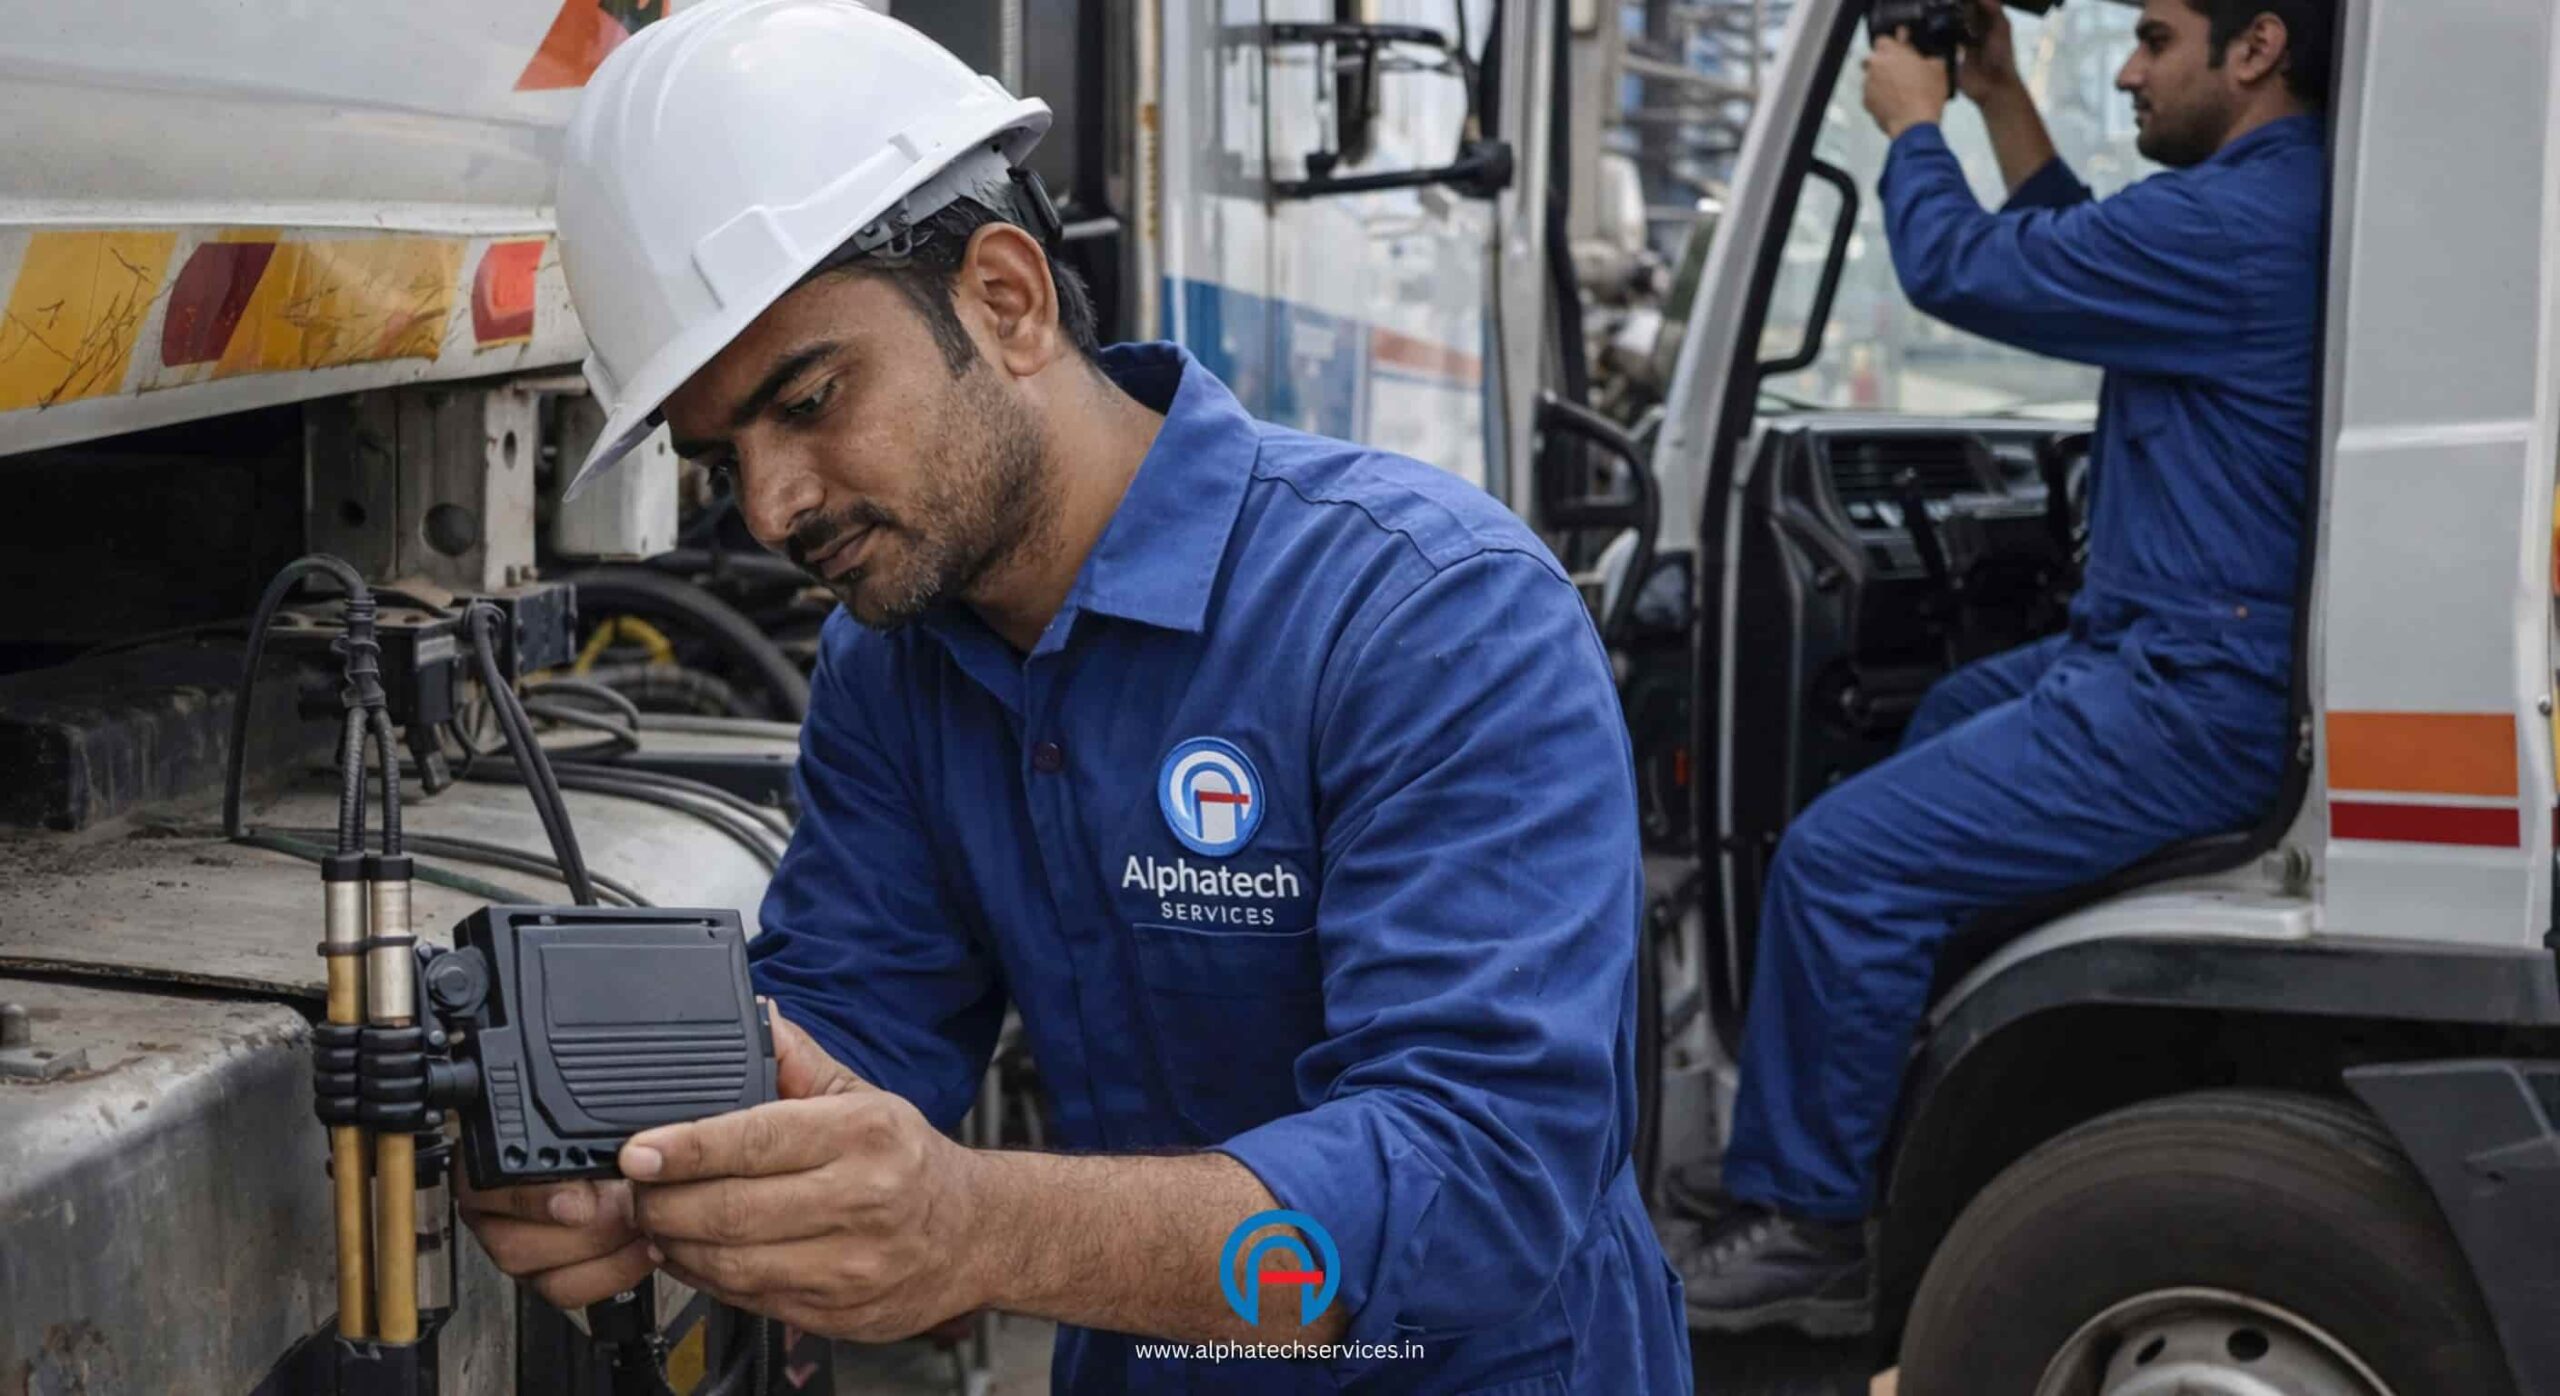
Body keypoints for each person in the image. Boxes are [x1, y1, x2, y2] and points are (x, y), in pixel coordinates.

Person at [454, 4, 1691, 1391]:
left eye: (807, 400)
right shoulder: (896, 664)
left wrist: (979, 1228)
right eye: (720, 453)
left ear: (1007, 299)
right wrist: (653, 1160)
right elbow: (854, 1036)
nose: (768, 504)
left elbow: (1481, 1187)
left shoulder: (1426, 612)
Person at [1683, 0, 2332, 1332]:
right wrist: (1994, 95)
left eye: (2156, 38)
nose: (2130, 67)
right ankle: (1881, 1089)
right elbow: (2082, 246)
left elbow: (1968, 268)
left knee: (1839, 863)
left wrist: (1915, 121)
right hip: (2166, 651)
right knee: (1959, 709)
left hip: (2186, 693)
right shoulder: (2272, 199)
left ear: (2257, 49)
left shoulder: (2236, 220)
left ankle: (1813, 1228)